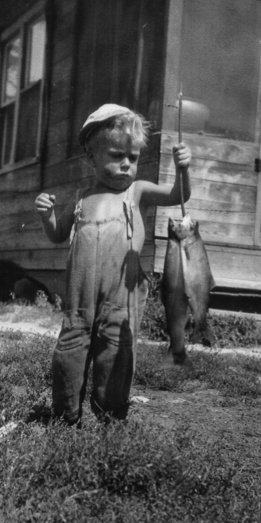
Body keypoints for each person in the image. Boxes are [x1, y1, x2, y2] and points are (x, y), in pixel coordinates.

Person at [35, 103, 191, 425]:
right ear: (91, 157)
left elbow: (179, 194)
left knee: (116, 355)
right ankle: (66, 417)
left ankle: (111, 418)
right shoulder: (81, 199)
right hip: (79, 302)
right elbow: (57, 235)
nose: (126, 165)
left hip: (121, 300)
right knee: (69, 353)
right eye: (116, 155)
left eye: (132, 158)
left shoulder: (138, 193)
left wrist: (183, 169)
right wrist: (47, 216)